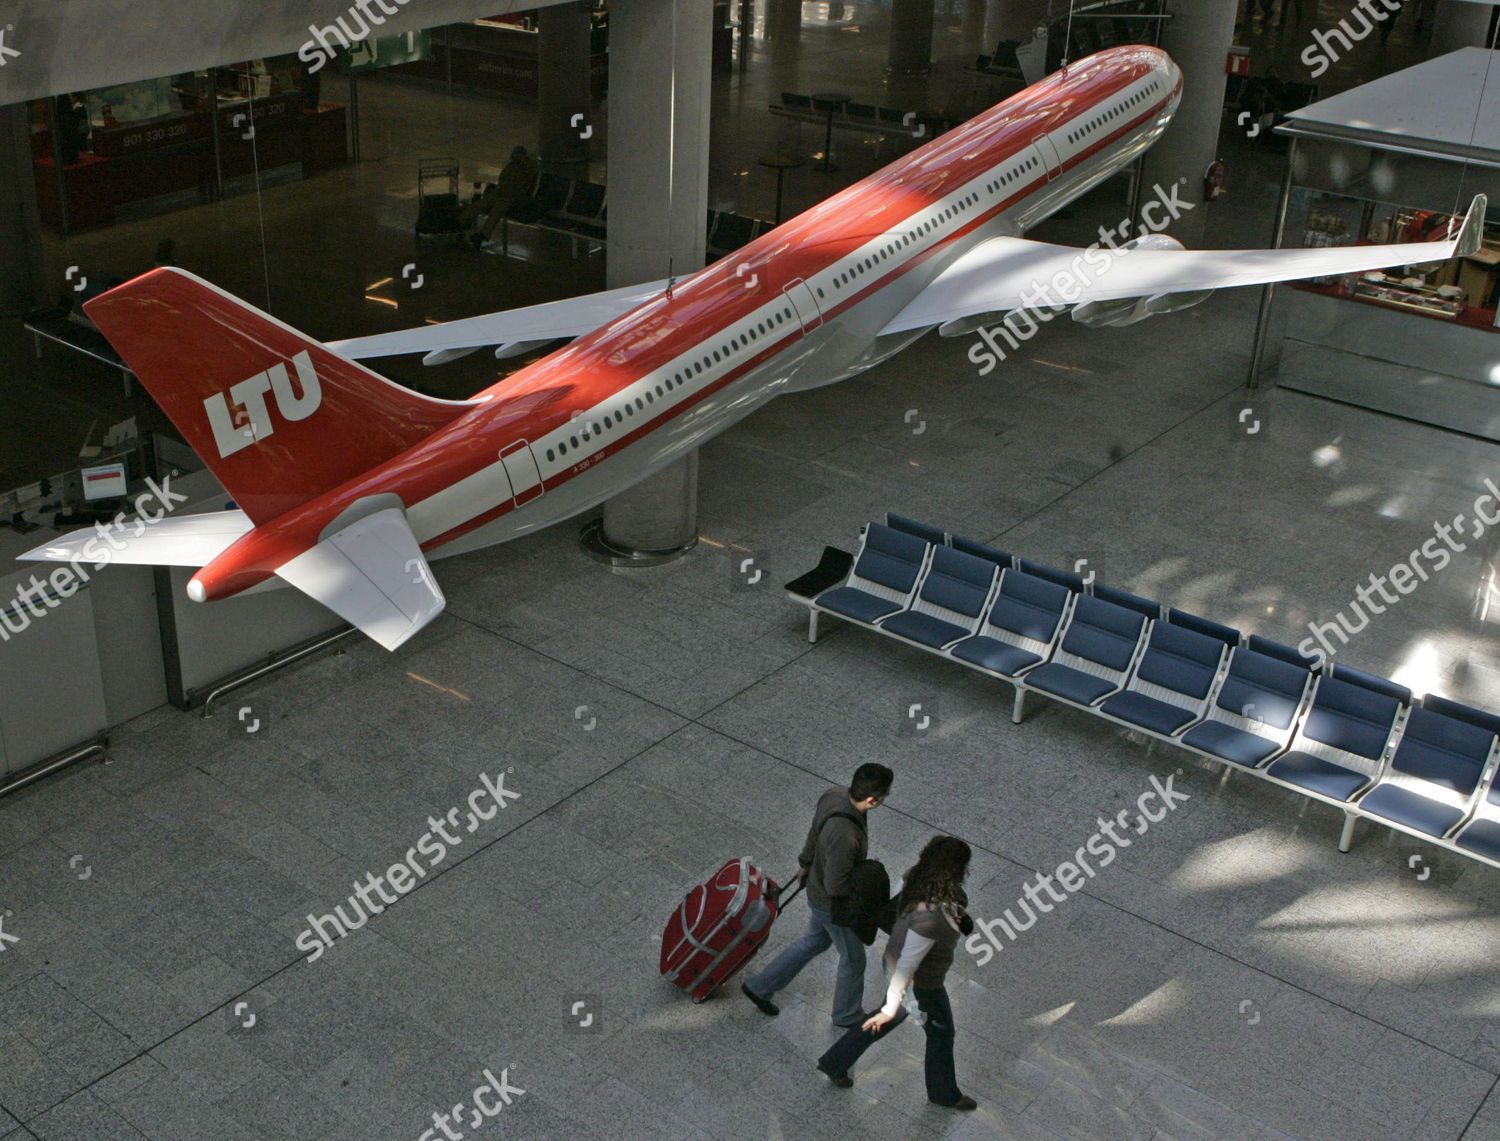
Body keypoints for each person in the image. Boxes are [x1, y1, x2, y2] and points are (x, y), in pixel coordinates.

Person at [815, 834, 977, 1111]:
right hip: (920, 981)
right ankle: (943, 1093)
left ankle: (835, 1061)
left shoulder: (918, 878)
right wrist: (894, 1001)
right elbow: (909, 962)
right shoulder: (929, 918)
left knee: (886, 1018)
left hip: (894, 960)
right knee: (941, 1032)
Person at [741, 763, 894, 1027]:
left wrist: (805, 862)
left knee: (815, 941)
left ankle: (760, 986)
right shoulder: (845, 835)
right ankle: (846, 1015)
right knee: (853, 959)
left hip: (816, 889)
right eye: (885, 795)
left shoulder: (834, 794)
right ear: (872, 800)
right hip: (831, 905)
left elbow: (814, 831)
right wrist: (864, 883)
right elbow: (836, 886)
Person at [461, 145, 541, 247]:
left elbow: (527, 177)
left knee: (497, 210)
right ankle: (463, 221)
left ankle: (483, 234)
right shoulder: (511, 166)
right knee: (480, 204)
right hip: (500, 192)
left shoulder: (528, 168)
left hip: (512, 197)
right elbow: (502, 180)